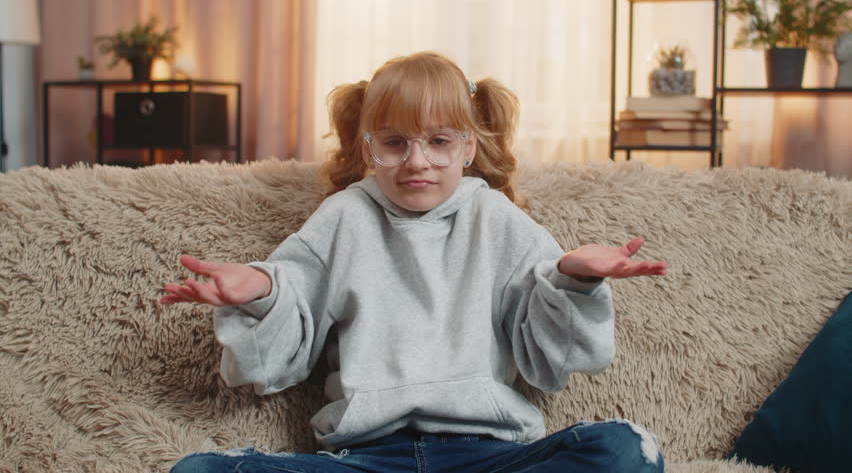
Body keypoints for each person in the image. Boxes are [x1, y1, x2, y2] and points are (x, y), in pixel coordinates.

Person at [162, 51, 669, 473]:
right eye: (395, 142)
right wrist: (259, 290)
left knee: (625, 449)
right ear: (368, 147)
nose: (417, 161)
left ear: (468, 147)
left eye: (440, 141)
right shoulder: (343, 217)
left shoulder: (496, 218)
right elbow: (285, 334)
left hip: (488, 457)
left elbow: (550, 359)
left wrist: (572, 277)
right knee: (199, 471)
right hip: (365, 458)